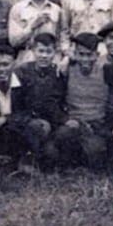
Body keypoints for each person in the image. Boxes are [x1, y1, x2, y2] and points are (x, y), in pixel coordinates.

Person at [45, 33, 113, 169]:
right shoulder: (67, 71)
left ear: (97, 54)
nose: (85, 59)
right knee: (51, 152)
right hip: (73, 124)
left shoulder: (107, 70)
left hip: (95, 125)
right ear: (75, 54)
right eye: (81, 54)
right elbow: (52, 100)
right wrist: (64, 119)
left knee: (96, 153)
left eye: (89, 55)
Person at [0, 45, 50, 173]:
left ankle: (27, 157)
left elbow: (31, 110)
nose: (1, 69)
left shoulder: (25, 82)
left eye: (6, 64)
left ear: (14, 64)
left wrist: (6, 119)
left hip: (17, 126)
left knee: (37, 125)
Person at [14, 33, 69, 167]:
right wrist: (29, 119)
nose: (44, 56)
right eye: (40, 51)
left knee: (53, 155)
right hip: (28, 121)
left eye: (48, 52)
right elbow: (16, 104)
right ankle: (27, 156)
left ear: (55, 53)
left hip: (51, 121)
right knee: (38, 128)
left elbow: (60, 101)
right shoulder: (22, 71)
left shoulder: (58, 73)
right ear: (33, 51)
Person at [9, 0, 62, 65]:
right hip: (26, 57)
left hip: (51, 59)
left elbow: (60, 39)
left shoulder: (56, 9)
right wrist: (32, 26)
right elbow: (13, 41)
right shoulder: (18, 8)